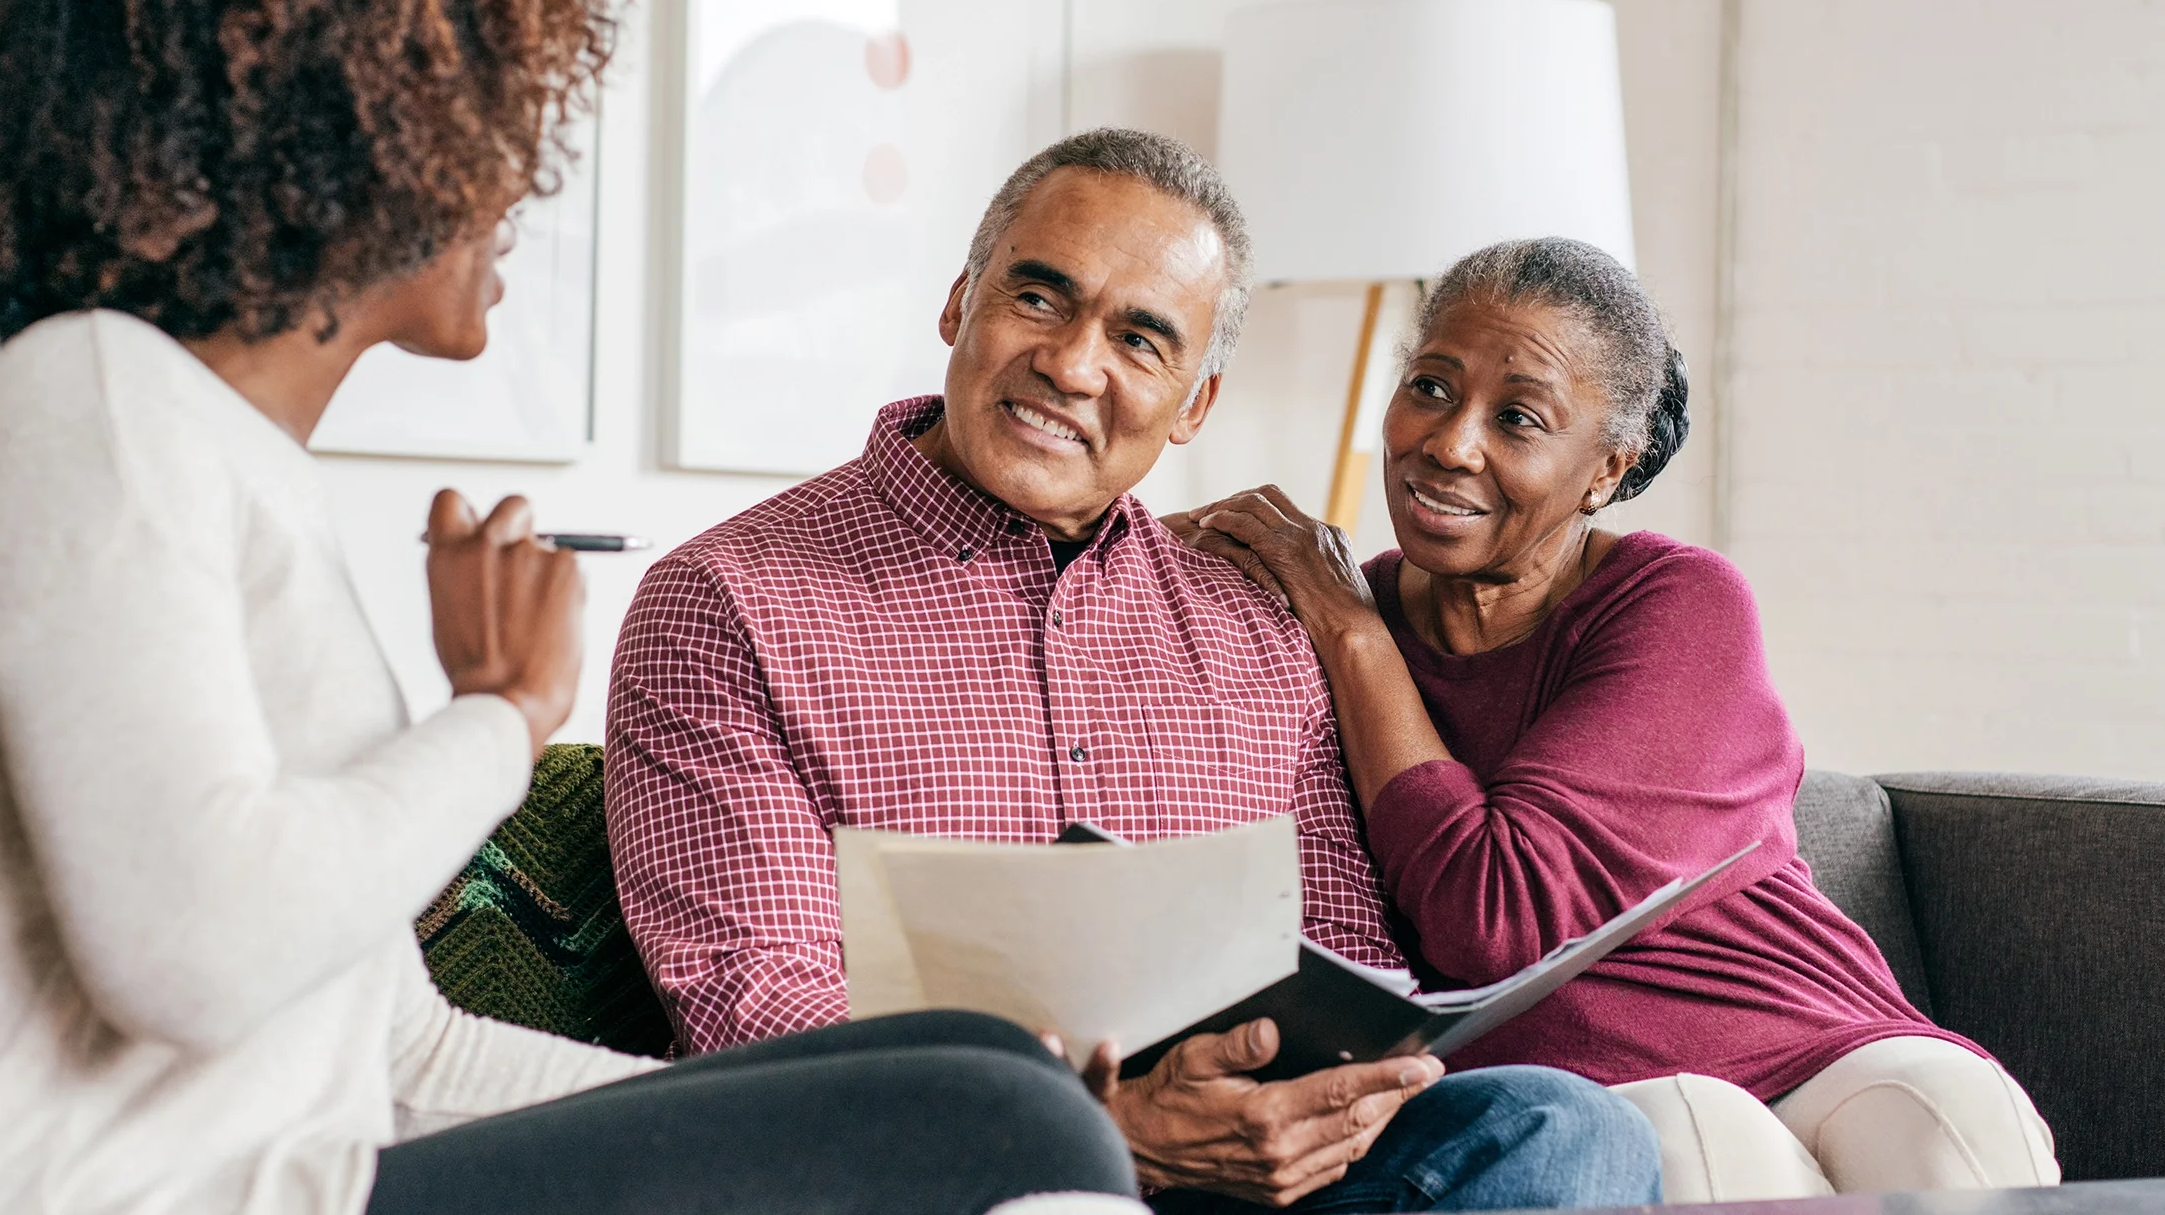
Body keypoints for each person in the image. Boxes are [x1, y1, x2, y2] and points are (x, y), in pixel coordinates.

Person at [0, 0, 1138, 1213]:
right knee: (995, 1112)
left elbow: (401, 1054)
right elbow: (194, 954)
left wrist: (837, 1116)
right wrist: (500, 713)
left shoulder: (230, 468)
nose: (515, 186)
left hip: (292, 1175)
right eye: (485, 124)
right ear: (356, 138)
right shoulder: (90, 401)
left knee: (977, 1072)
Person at [605, 129, 1662, 1212]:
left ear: (1196, 405)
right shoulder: (728, 602)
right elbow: (755, 1008)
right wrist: (1103, 1134)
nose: (1071, 364)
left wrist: (1328, 1104)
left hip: (1263, 1172)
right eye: (1038, 298)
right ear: (959, 304)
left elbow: (1344, 955)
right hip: (957, 1173)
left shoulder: (1255, 618)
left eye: (1142, 339)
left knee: (1566, 1128)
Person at [1171, 237, 2061, 1201]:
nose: (1450, 442)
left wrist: (1354, 636)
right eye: (1431, 387)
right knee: (1694, 1132)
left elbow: (1495, 903)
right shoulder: (1330, 614)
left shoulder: (1677, 604)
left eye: (1517, 418)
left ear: (1605, 471)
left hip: (1809, 1034)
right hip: (1579, 1101)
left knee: (1949, 1117)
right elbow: (1487, 936)